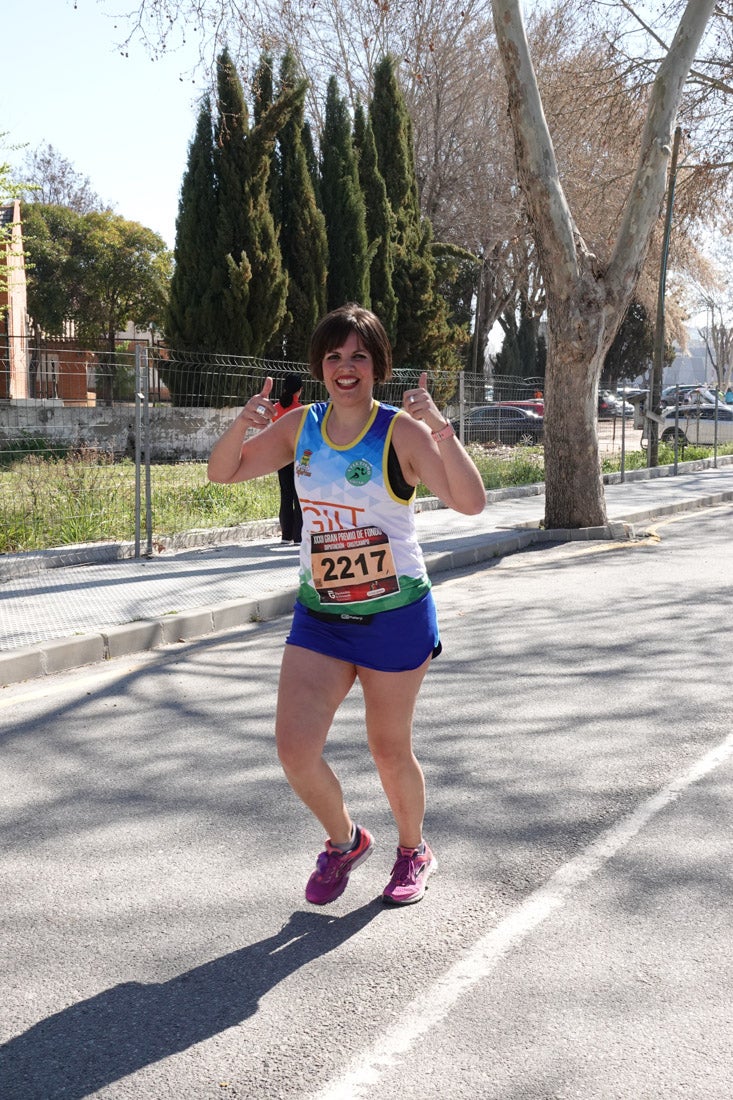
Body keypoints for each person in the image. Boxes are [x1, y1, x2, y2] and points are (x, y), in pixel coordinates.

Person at [208, 304, 486, 906]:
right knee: (294, 749)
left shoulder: (400, 432)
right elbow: (222, 472)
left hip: (395, 616)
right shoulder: (300, 427)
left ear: (378, 364)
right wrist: (245, 422)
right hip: (322, 617)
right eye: (334, 356)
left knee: (388, 749)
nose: (345, 367)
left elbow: (469, 502)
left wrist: (441, 428)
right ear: (320, 366)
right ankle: (345, 841)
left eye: (359, 355)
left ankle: (413, 849)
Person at [271, 372, 304, 544]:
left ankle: (286, 536)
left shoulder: (275, 409)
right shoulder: (301, 410)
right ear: (300, 390)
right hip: (297, 457)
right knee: (299, 496)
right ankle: (299, 536)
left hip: (280, 456)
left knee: (286, 495)